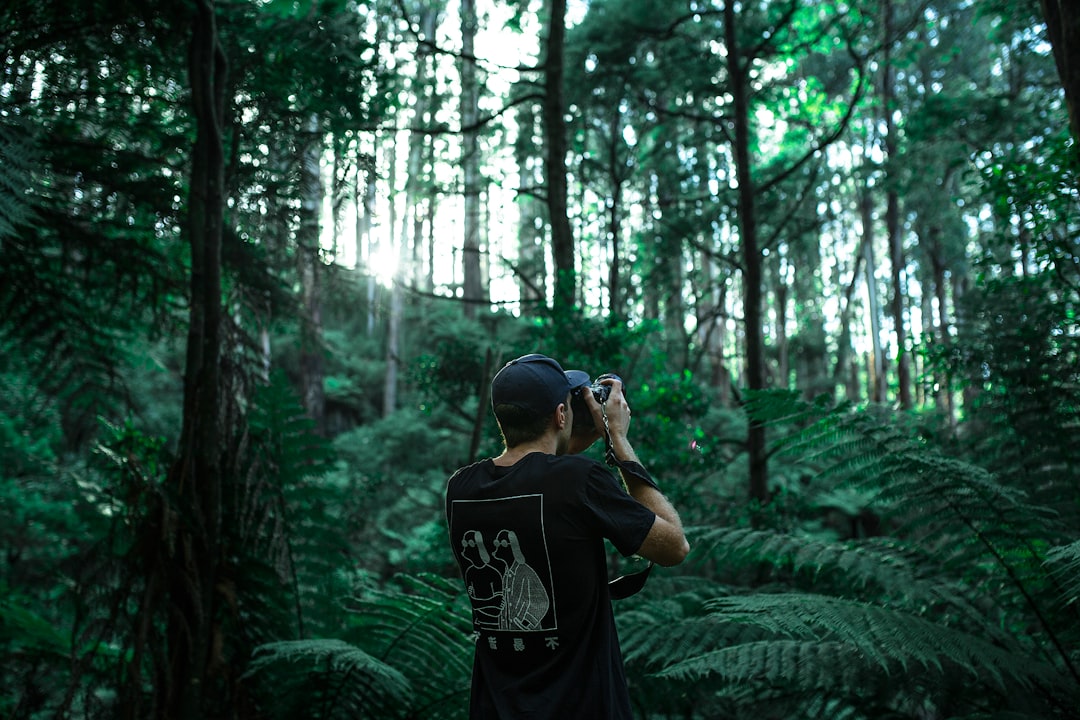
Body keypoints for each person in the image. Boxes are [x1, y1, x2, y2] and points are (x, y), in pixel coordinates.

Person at [444, 353, 689, 719]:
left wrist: (574, 436)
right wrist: (617, 439)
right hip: (583, 706)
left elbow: (538, 474)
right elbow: (674, 547)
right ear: (561, 415)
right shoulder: (580, 481)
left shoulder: (461, 488)